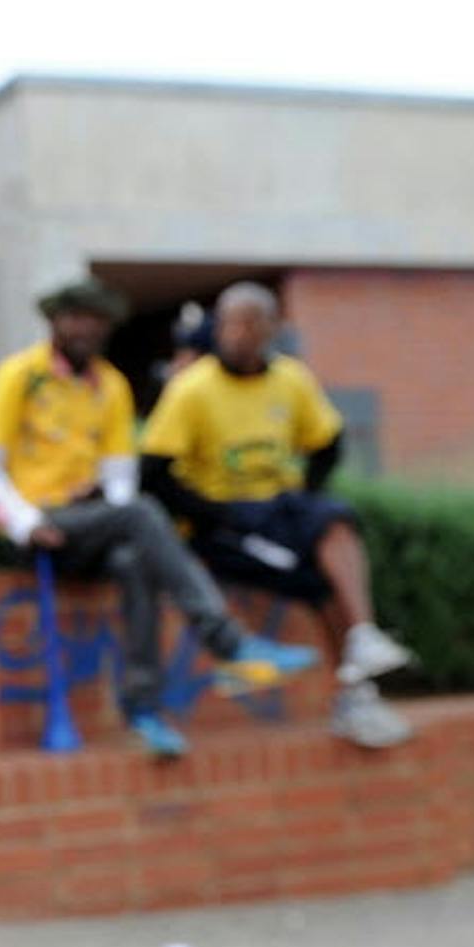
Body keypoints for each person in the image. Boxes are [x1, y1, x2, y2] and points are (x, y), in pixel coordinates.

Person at [0, 277, 316, 758]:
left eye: (95, 319)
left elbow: (119, 475)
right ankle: (227, 640)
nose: (85, 328)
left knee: (135, 558)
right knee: (141, 514)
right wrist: (25, 523)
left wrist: (108, 505)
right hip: (37, 521)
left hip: (92, 523)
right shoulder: (20, 375)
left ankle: (143, 710)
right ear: (56, 322)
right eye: (75, 317)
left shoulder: (112, 385)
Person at [142, 281, 416, 749]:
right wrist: (215, 513)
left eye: (250, 323)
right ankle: (354, 696)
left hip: (279, 503)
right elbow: (153, 473)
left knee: (335, 518)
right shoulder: (192, 389)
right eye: (230, 324)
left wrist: (304, 494)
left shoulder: (291, 378)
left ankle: (362, 637)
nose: (239, 334)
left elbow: (328, 442)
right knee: (315, 577)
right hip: (224, 520)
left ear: (272, 328)